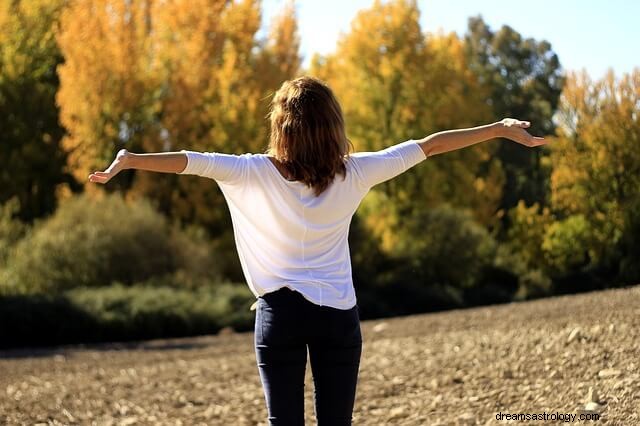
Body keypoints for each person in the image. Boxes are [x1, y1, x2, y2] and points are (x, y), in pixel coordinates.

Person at [88, 76, 546, 425]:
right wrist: (498, 129)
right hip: (338, 317)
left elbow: (189, 160)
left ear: (280, 127)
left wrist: (130, 161)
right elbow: (429, 146)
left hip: (279, 317)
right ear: (333, 126)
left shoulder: (250, 172)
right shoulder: (357, 172)